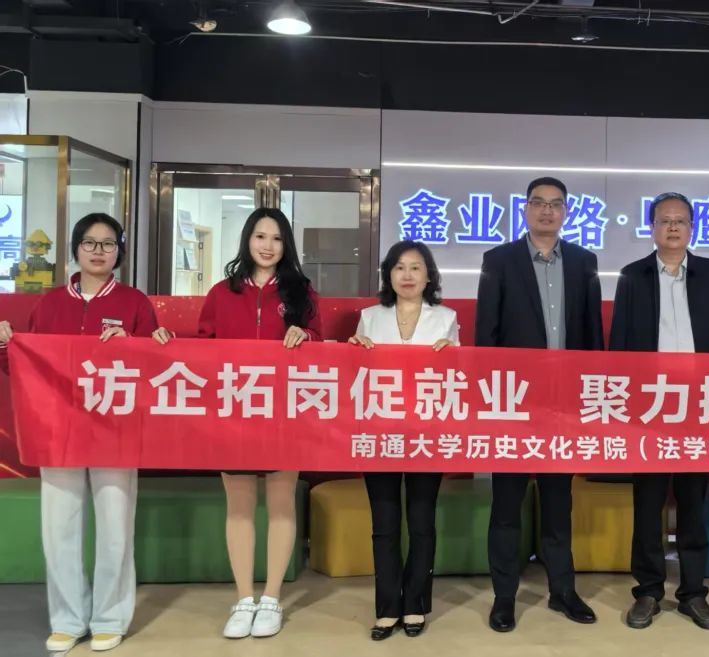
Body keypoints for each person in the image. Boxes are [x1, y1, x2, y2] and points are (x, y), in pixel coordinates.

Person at [0, 213, 171, 653]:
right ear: (75, 248)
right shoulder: (51, 304)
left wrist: (143, 344)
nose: (98, 251)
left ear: (120, 252)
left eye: (108, 243)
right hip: (57, 430)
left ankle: (110, 618)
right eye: (90, 242)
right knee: (59, 526)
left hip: (115, 430)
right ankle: (68, 619)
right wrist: (5, 346)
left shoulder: (135, 303)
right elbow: (27, 369)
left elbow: (154, 368)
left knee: (115, 526)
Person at [184, 208, 321, 639]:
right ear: (247, 240)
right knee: (239, 506)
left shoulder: (301, 291)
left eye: (277, 238)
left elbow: (321, 347)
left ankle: (272, 599)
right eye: (260, 236)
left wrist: (306, 337)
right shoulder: (222, 293)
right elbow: (203, 350)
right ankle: (244, 599)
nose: (268, 246)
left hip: (285, 413)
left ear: (286, 246)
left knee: (281, 504)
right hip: (235, 411)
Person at [475, 176, 604, 632]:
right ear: (525, 210)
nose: (547, 210)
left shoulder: (584, 262)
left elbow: (592, 335)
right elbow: (486, 334)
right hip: (513, 402)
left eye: (555, 204)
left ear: (566, 212)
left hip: (564, 402)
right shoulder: (499, 260)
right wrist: (490, 399)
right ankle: (504, 597)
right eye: (538, 203)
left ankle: (562, 591)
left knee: (557, 502)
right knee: (506, 504)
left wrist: (591, 397)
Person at [609, 192, 709, 631]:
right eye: (665, 220)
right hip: (650, 405)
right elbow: (620, 344)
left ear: (692, 228)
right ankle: (647, 591)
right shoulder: (633, 276)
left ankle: (693, 593)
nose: (673, 227)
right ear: (652, 228)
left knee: (693, 502)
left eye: (681, 221)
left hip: (699, 404)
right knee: (648, 501)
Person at [349, 240, 459, 640]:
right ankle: (387, 608)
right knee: (384, 524)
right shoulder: (369, 317)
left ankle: (415, 604)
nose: (407, 275)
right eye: (399, 267)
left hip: (426, 436)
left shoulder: (446, 318)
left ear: (429, 276)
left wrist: (455, 353)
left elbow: (456, 379)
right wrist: (353, 351)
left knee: (421, 522)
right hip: (379, 434)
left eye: (416, 267)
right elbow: (356, 377)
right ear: (388, 275)